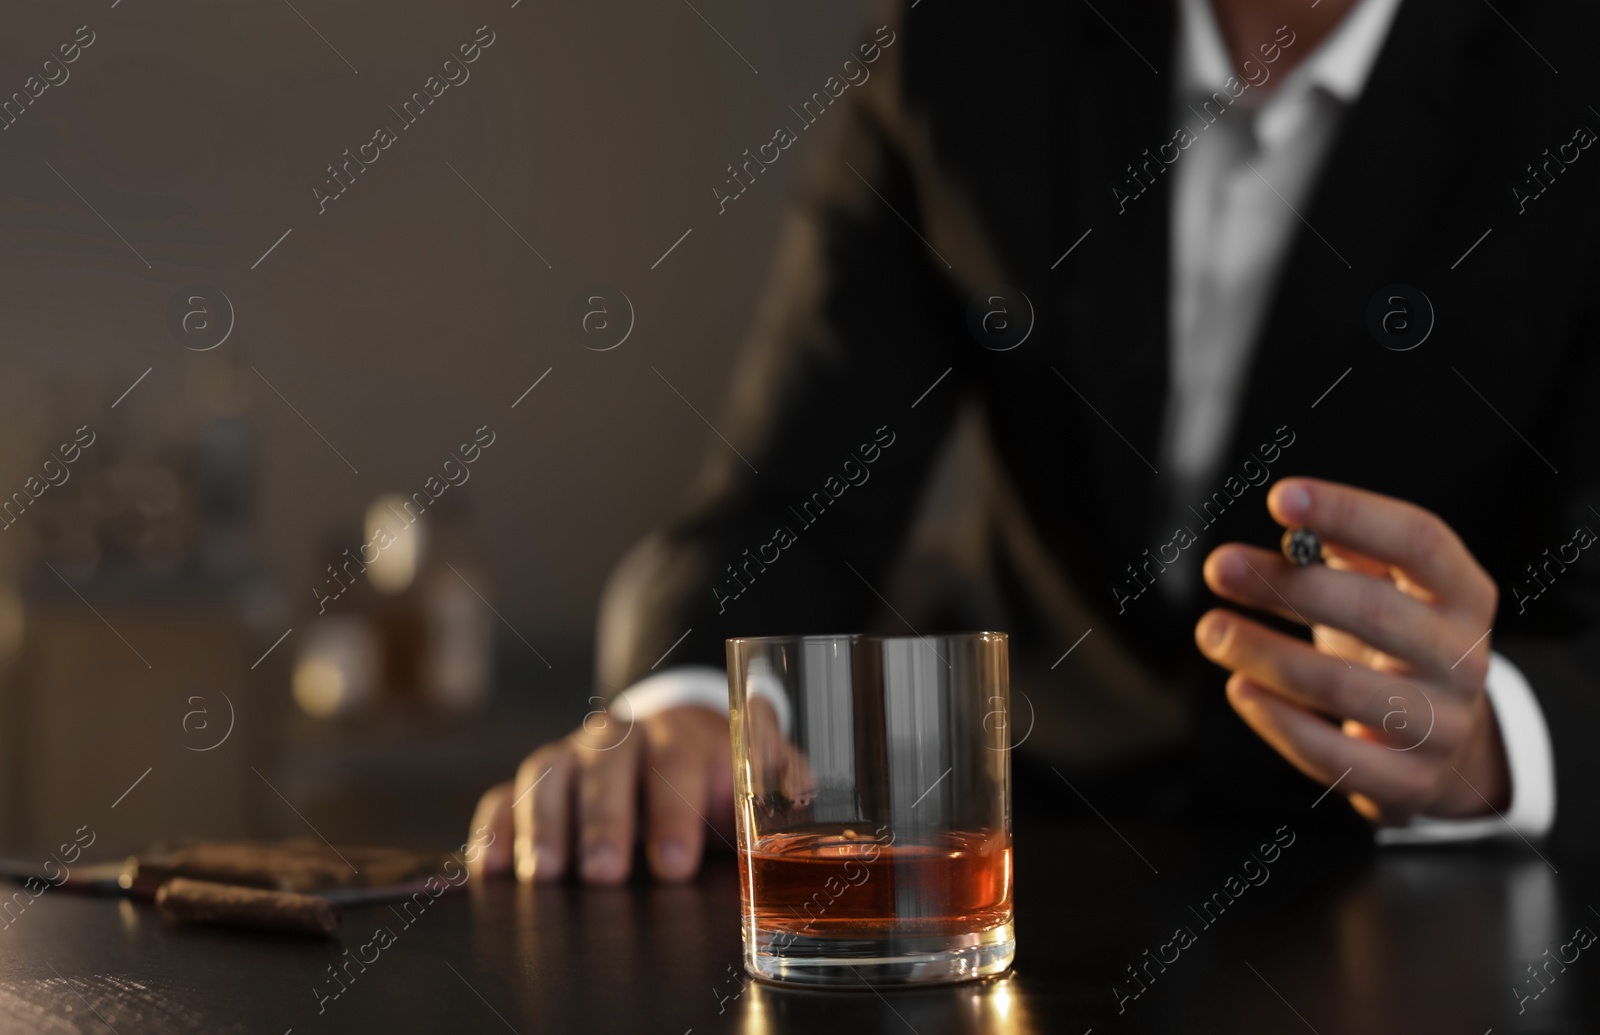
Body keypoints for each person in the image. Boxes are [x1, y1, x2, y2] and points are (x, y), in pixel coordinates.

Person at [470, 0, 1600, 882]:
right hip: (1027, 845)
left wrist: (1498, 737)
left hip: (1427, 885)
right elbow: (789, 506)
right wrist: (683, 712)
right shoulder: (971, 40)